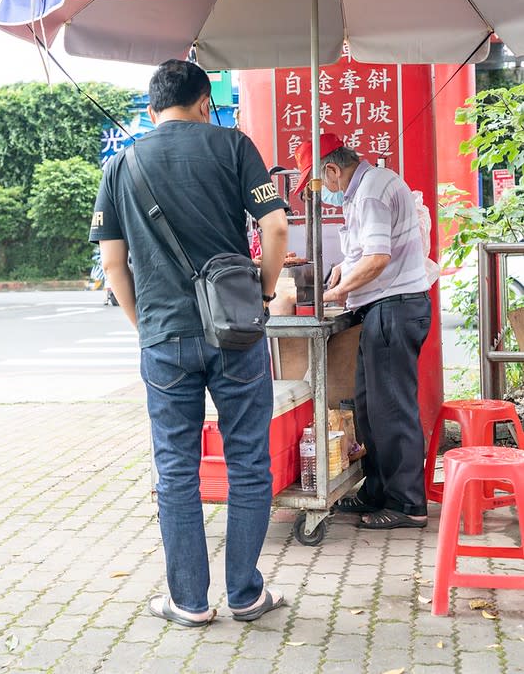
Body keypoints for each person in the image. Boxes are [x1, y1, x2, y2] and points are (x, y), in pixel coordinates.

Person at [89, 59, 288, 625]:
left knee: (176, 467)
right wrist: (266, 292)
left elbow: (112, 261)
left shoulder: (122, 163)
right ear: (205, 102)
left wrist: (142, 323)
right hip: (235, 331)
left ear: (153, 110)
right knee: (248, 459)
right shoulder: (232, 144)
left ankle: (189, 602)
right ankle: (247, 595)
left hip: (163, 335)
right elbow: (274, 227)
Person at [294, 134, 431, 530]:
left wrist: (337, 291)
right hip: (382, 309)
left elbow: (377, 258)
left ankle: (407, 505)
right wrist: (341, 271)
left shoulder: (370, 191)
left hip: (395, 307)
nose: (326, 193)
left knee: (392, 411)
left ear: (333, 170)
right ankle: (377, 491)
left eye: (323, 183)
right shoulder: (364, 191)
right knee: (369, 408)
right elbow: (362, 253)